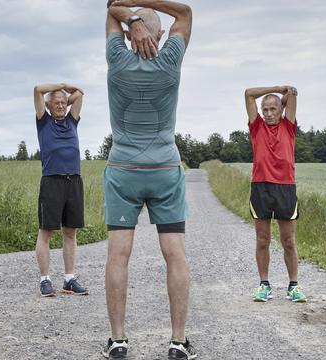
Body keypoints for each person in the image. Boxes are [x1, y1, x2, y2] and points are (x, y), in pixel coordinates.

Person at [102, 1, 196, 359]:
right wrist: (147, 11)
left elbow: (112, 6)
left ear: (129, 34)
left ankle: (119, 340)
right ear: (160, 34)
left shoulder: (117, 59)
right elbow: (185, 13)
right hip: (164, 171)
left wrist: (132, 15)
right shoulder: (170, 60)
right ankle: (177, 342)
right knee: (175, 255)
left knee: (117, 256)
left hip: (123, 170)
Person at [244, 85, 307, 303]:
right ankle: (264, 285)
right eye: (266, 109)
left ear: (281, 110)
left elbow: (293, 95)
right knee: (262, 240)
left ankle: (294, 286)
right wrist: (279, 89)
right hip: (261, 187)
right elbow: (249, 94)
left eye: (274, 109)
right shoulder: (257, 127)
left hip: (285, 187)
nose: (269, 113)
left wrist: (287, 94)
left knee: (288, 240)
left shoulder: (288, 126)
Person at [32, 83, 89, 297]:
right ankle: (45, 280)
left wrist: (66, 98)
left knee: (70, 232)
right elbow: (37, 89)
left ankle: (69, 280)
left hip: (73, 181)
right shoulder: (43, 121)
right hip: (52, 181)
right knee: (46, 231)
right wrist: (62, 88)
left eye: (63, 103)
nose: (60, 106)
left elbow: (80, 94)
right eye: (55, 103)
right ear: (47, 105)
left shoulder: (71, 121)